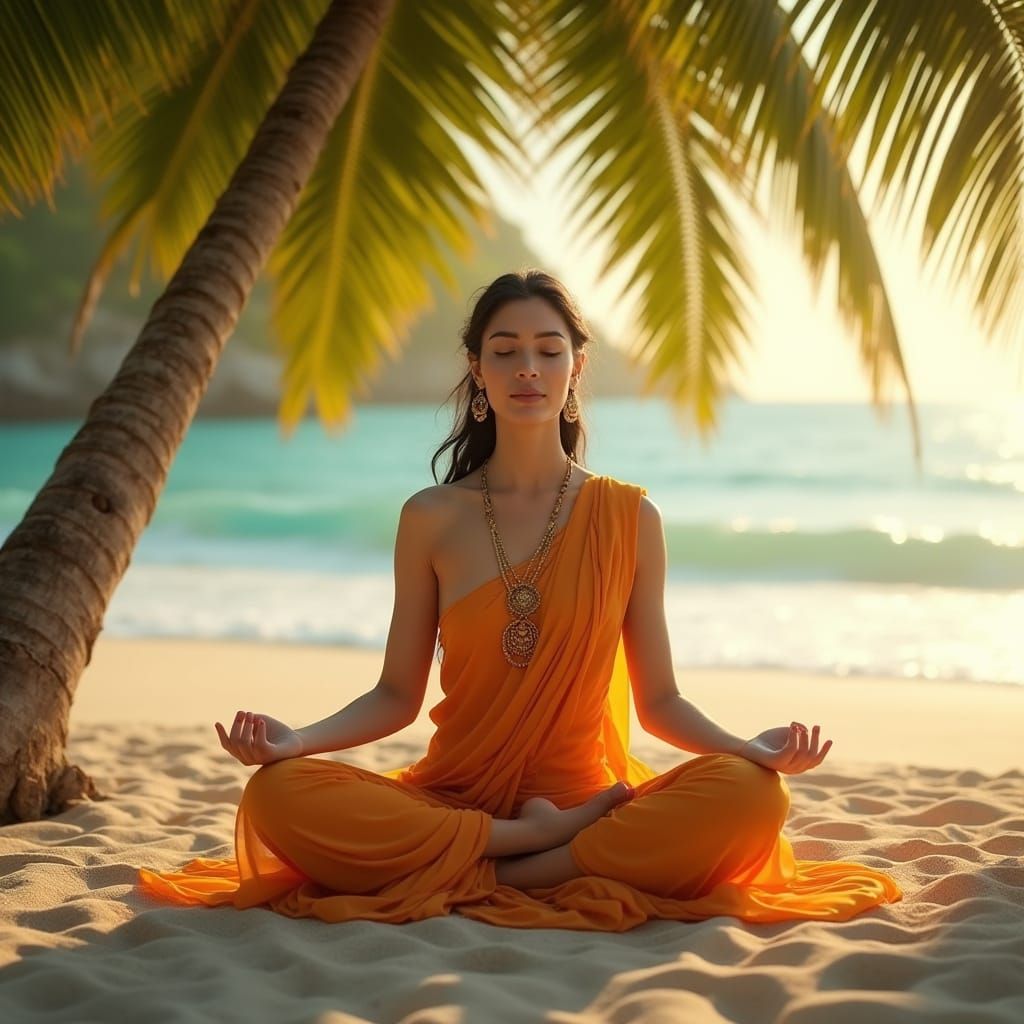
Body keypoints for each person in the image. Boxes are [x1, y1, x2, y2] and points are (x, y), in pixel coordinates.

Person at [138, 269, 903, 929]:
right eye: (505, 352)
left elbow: (661, 700)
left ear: (575, 366)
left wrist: (749, 748)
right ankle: (531, 852)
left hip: (591, 797)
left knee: (752, 797)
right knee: (278, 796)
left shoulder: (629, 517)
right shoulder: (431, 517)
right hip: (461, 800)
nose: (527, 369)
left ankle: (503, 870)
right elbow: (396, 694)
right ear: (477, 369)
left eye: (547, 350)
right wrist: (294, 742)